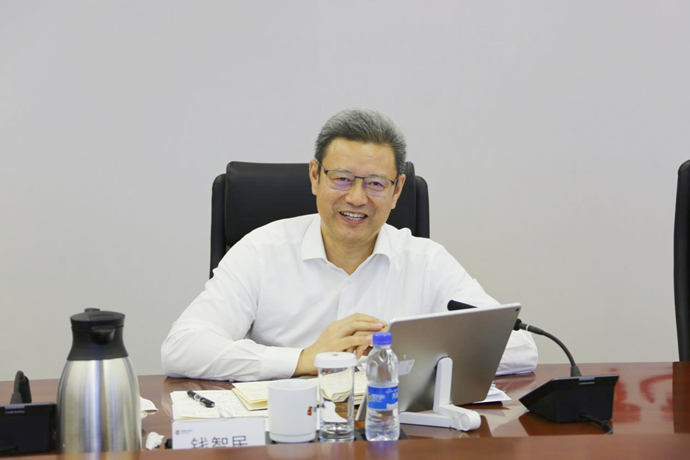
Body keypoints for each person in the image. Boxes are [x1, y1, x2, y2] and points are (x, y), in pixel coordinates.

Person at [161, 108, 537, 381]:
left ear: (397, 191)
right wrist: (305, 359)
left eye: (375, 183)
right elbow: (182, 348)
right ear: (315, 176)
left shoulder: (426, 261)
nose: (356, 198)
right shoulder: (261, 251)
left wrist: (403, 350)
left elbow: (520, 347)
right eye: (341, 179)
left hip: (393, 435)